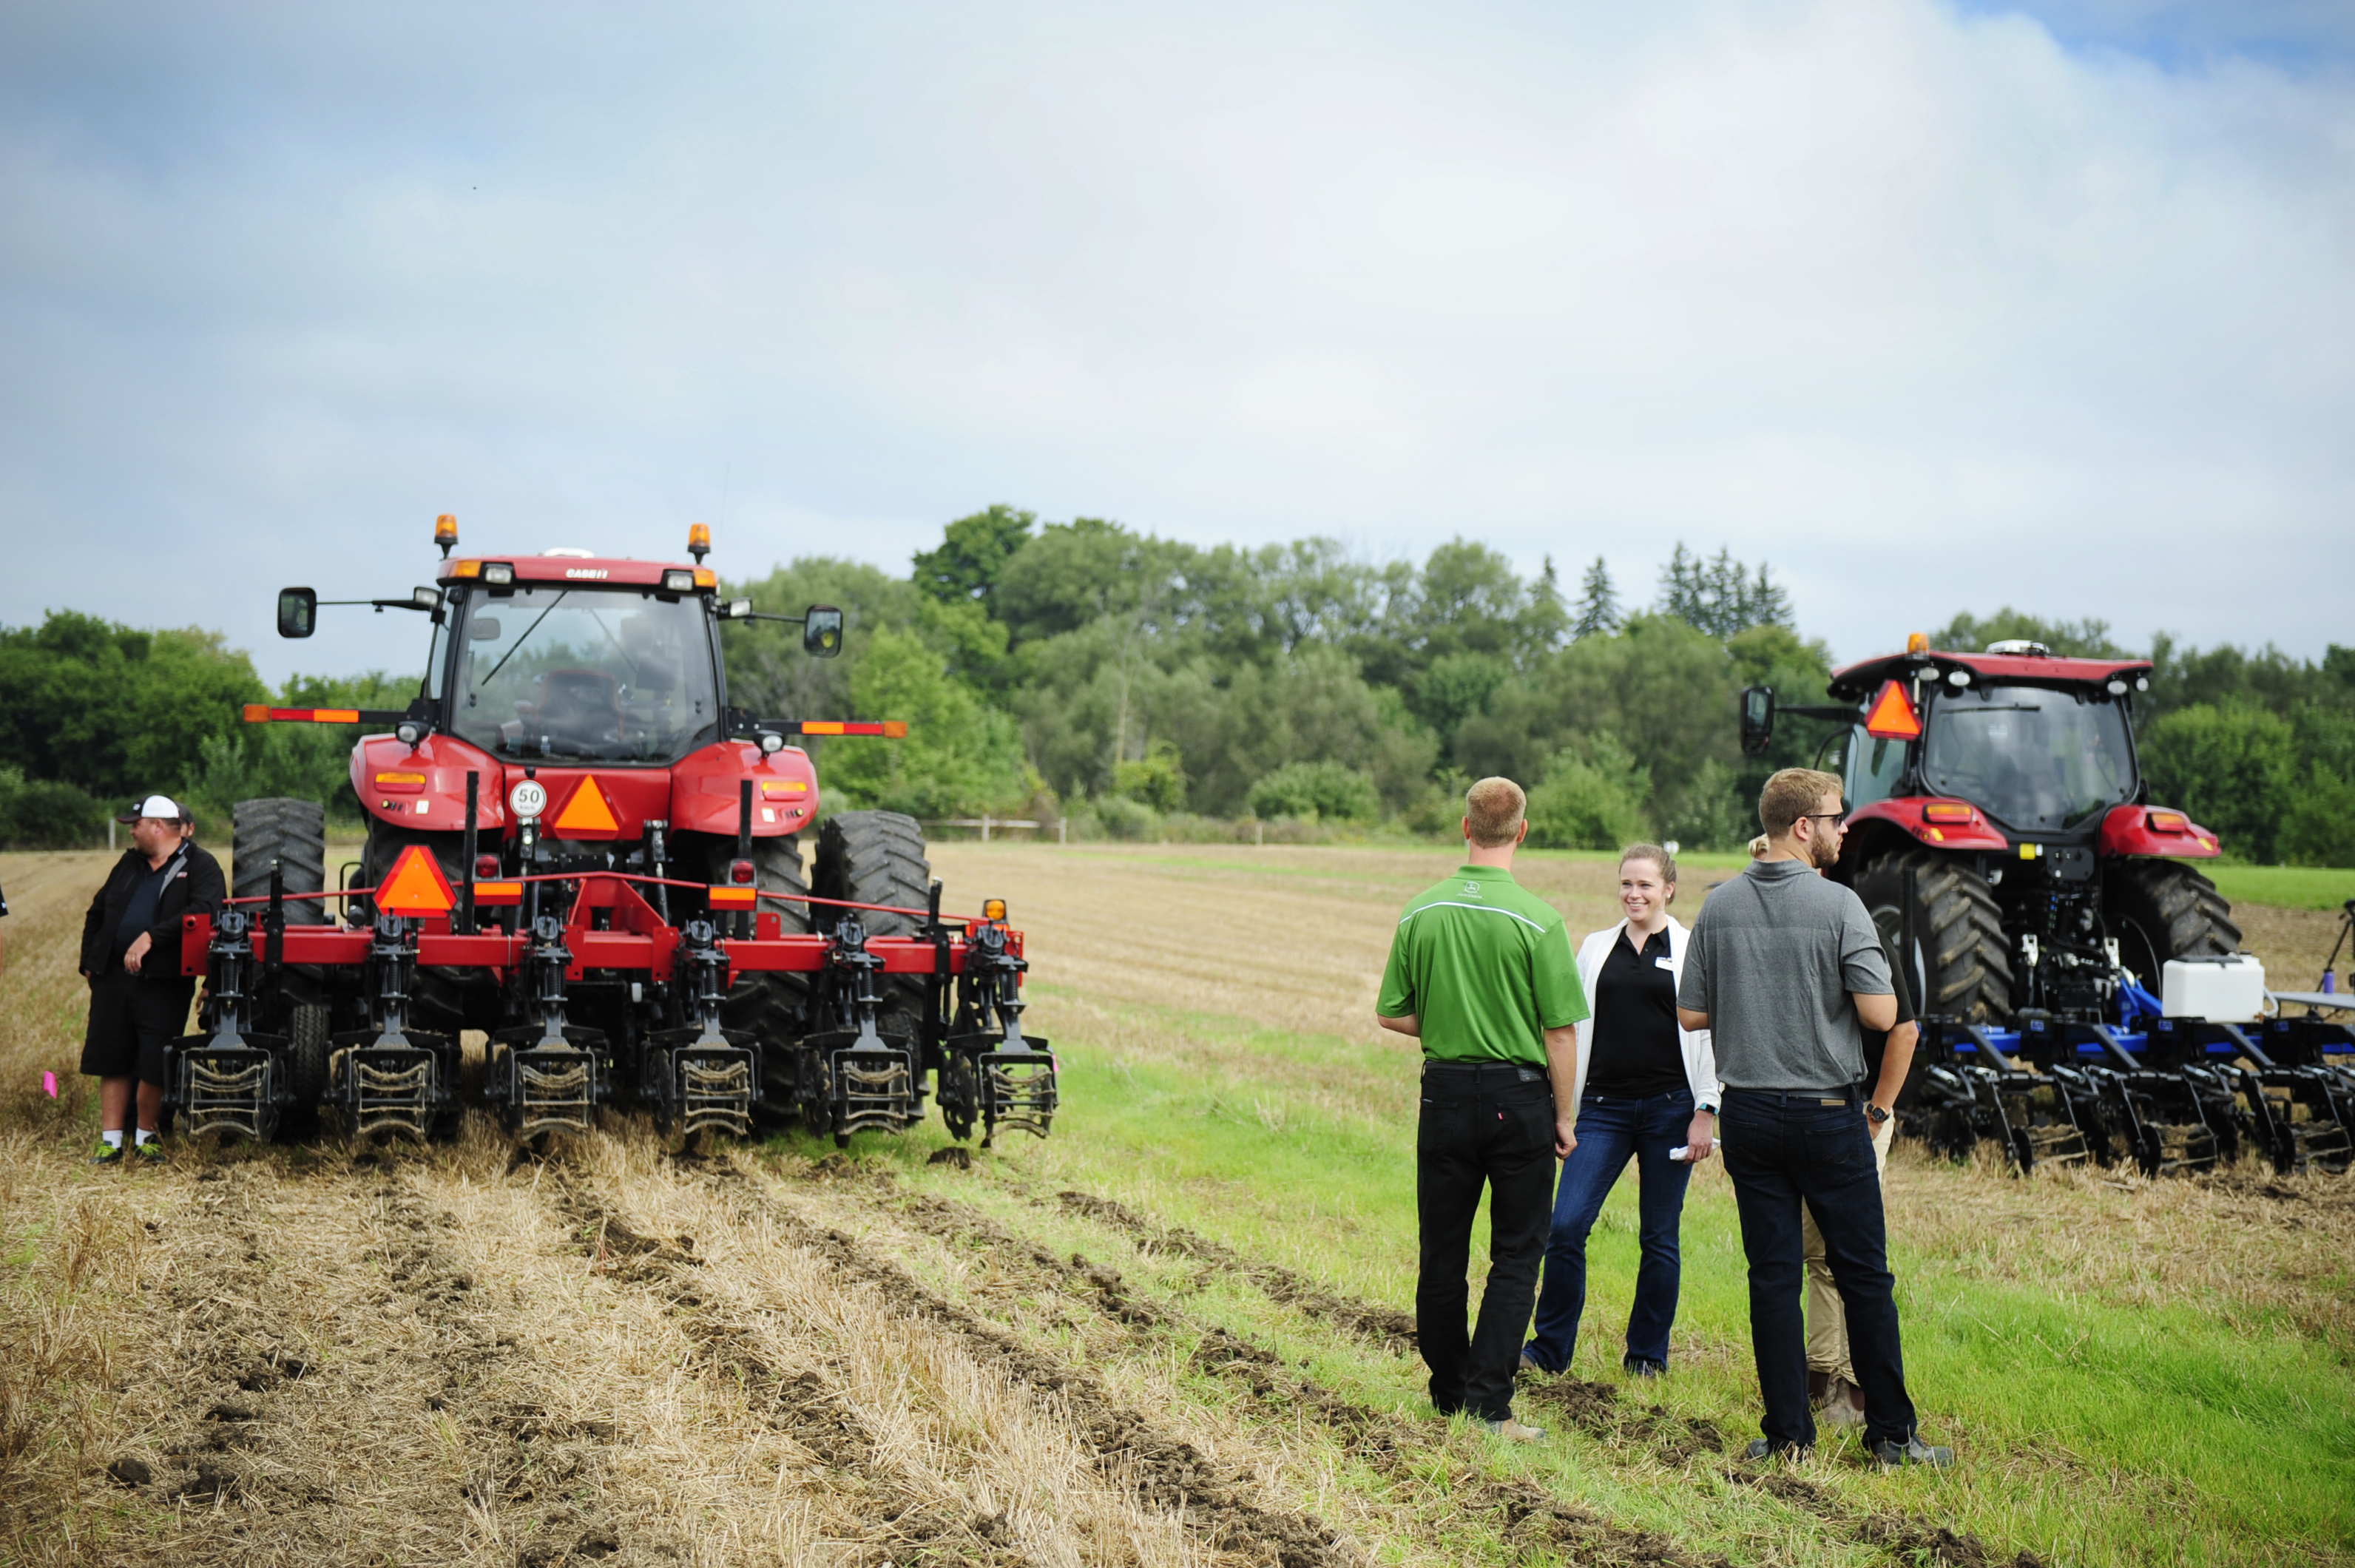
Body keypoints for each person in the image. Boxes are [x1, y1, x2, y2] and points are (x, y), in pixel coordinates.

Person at [1675, 768, 1951, 1469]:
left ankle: (1787, 1436)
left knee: (1773, 1279)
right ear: (1803, 827)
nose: (1844, 828)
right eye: (1835, 817)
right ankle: (1892, 1436)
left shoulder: (1719, 906)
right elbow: (1882, 1016)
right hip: (1826, 1115)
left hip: (1748, 1115)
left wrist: (1756, 996)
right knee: (1864, 1278)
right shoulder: (1840, 904)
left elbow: (1691, 1013)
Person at [1377, 777, 1589, 1443]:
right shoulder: (1539, 919)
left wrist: (1449, 1023)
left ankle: (1447, 1390)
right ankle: (1488, 1405)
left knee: (1441, 1251)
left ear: (1465, 827)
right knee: (1517, 1255)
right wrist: (1563, 1117)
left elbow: (1392, 1014)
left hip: (1442, 1094)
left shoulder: (1420, 911)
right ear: (1521, 831)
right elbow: (1560, 1033)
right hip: (1518, 1099)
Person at [1740, 834, 1923, 1426]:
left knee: (1842, 1258)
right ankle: (1822, 1377)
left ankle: (1850, 1388)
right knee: (1808, 1255)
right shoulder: (1763, 930)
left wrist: (1877, 1112)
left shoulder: (1854, 922)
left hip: (1852, 1109)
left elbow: (1902, 1029)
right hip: (1796, 1111)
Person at [1523, 843, 1720, 1379]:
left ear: (1669, 890)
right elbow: (1568, 1028)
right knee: (1566, 1225)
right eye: (1627, 884)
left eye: (1645, 885)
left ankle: (1647, 1357)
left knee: (1659, 1237)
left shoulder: (1691, 948)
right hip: (1602, 1110)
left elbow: (1712, 1036)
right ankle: (1549, 1349)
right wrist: (1562, 1110)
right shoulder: (1595, 947)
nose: (1634, 894)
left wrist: (1706, 1110)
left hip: (1671, 1110)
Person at [79, 797, 224, 1164]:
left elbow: (203, 913)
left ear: (158, 826)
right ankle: (111, 1142)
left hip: (164, 980)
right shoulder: (129, 864)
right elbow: (98, 911)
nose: (131, 832)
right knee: (112, 1056)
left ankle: (147, 1138)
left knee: (154, 1061)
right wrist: (89, 963)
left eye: (136, 824)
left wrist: (151, 937)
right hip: (114, 978)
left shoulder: (201, 866)